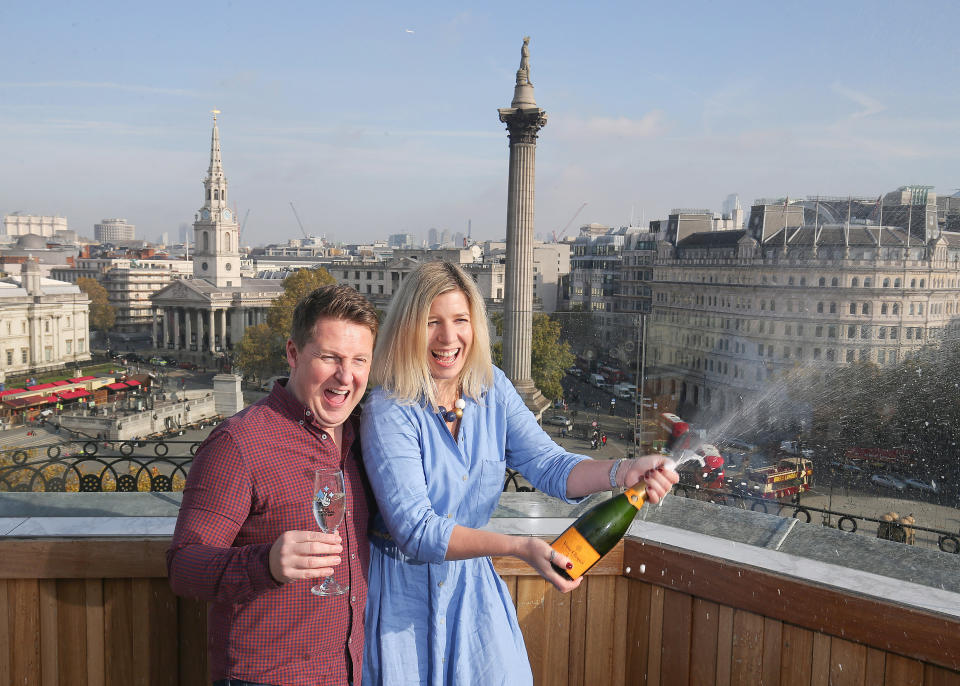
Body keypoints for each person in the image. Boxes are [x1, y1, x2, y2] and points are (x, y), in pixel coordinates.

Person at [360, 262, 678, 686]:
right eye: (431, 322)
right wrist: (519, 547)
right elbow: (416, 530)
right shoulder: (388, 407)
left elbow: (550, 465)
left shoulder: (493, 388)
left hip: (471, 588)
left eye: (460, 320)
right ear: (407, 328)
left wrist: (623, 470)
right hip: (404, 595)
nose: (448, 337)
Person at [167, 285, 379, 686]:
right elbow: (183, 566)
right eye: (329, 357)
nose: (346, 376)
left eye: (359, 360)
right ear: (294, 353)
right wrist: (265, 564)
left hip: (349, 672)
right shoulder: (239, 444)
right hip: (265, 676)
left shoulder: (365, 437)